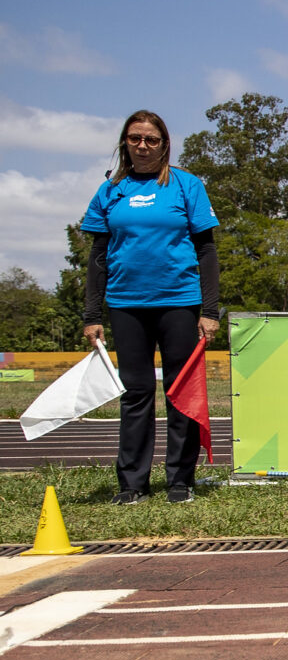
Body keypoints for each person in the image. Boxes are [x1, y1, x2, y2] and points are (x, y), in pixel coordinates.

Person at [81, 110, 220, 505]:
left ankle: (180, 480)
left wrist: (209, 311)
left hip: (179, 302)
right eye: (135, 138)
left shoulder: (186, 185)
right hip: (126, 305)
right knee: (136, 393)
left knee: (180, 392)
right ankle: (132, 484)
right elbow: (97, 257)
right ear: (124, 142)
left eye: (151, 139)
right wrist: (92, 316)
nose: (143, 145)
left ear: (164, 144)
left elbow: (207, 250)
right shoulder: (111, 191)